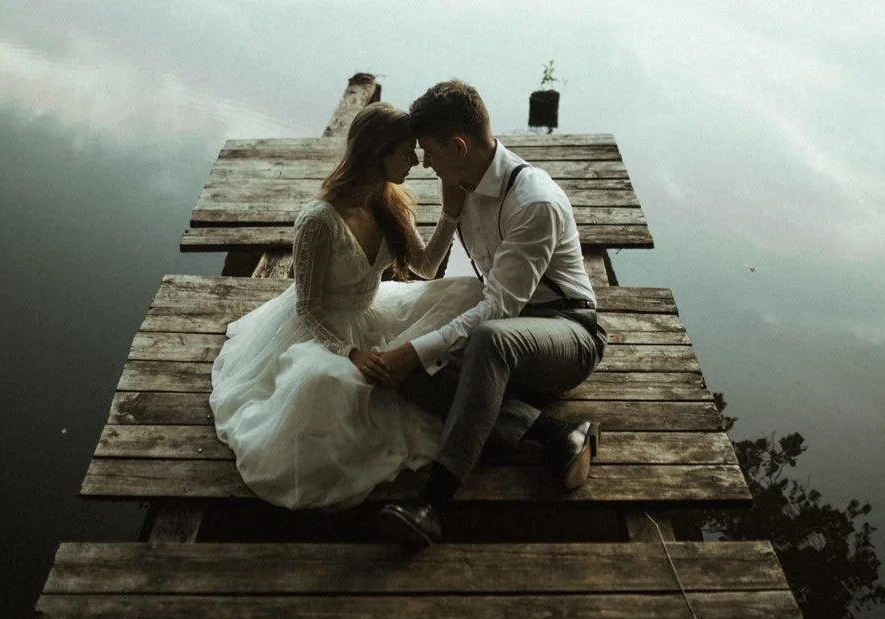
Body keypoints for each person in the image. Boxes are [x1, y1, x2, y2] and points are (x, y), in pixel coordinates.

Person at [209, 104, 483, 510]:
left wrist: (450, 214)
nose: (416, 162)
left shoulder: (390, 202)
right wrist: (351, 353)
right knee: (327, 382)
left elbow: (424, 268)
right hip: (324, 325)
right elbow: (308, 307)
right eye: (406, 152)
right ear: (378, 153)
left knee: (469, 295)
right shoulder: (319, 220)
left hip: (374, 308)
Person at [375, 79, 607, 549]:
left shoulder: (532, 201)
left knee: (486, 340)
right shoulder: (463, 184)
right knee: (410, 374)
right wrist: (449, 214)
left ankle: (433, 504)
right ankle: (556, 433)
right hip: (511, 331)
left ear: (457, 146)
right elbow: (424, 269)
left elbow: (497, 311)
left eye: (429, 152)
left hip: (568, 334)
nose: (424, 163)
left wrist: (416, 349)